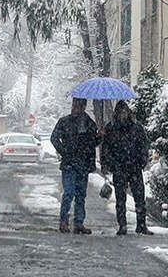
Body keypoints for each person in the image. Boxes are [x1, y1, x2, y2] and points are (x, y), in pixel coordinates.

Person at [101, 101, 153, 236]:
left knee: (139, 197)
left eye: (125, 112)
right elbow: (106, 148)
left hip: (134, 167)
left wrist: (142, 161)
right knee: (120, 198)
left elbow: (144, 145)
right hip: (119, 168)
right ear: (117, 113)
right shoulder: (111, 128)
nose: (123, 115)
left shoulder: (136, 127)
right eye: (120, 112)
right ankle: (122, 225)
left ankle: (141, 225)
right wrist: (108, 164)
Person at [50, 97, 100, 235]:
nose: (75, 108)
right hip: (69, 164)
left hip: (83, 164)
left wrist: (99, 136)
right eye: (74, 105)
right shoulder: (64, 121)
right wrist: (64, 152)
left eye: (78, 106)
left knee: (81, 194)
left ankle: (79, 222)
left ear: (83, 107)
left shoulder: (89, 123)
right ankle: (64, 220)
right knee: (69, 192)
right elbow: (54, 137)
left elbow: (93, 142)